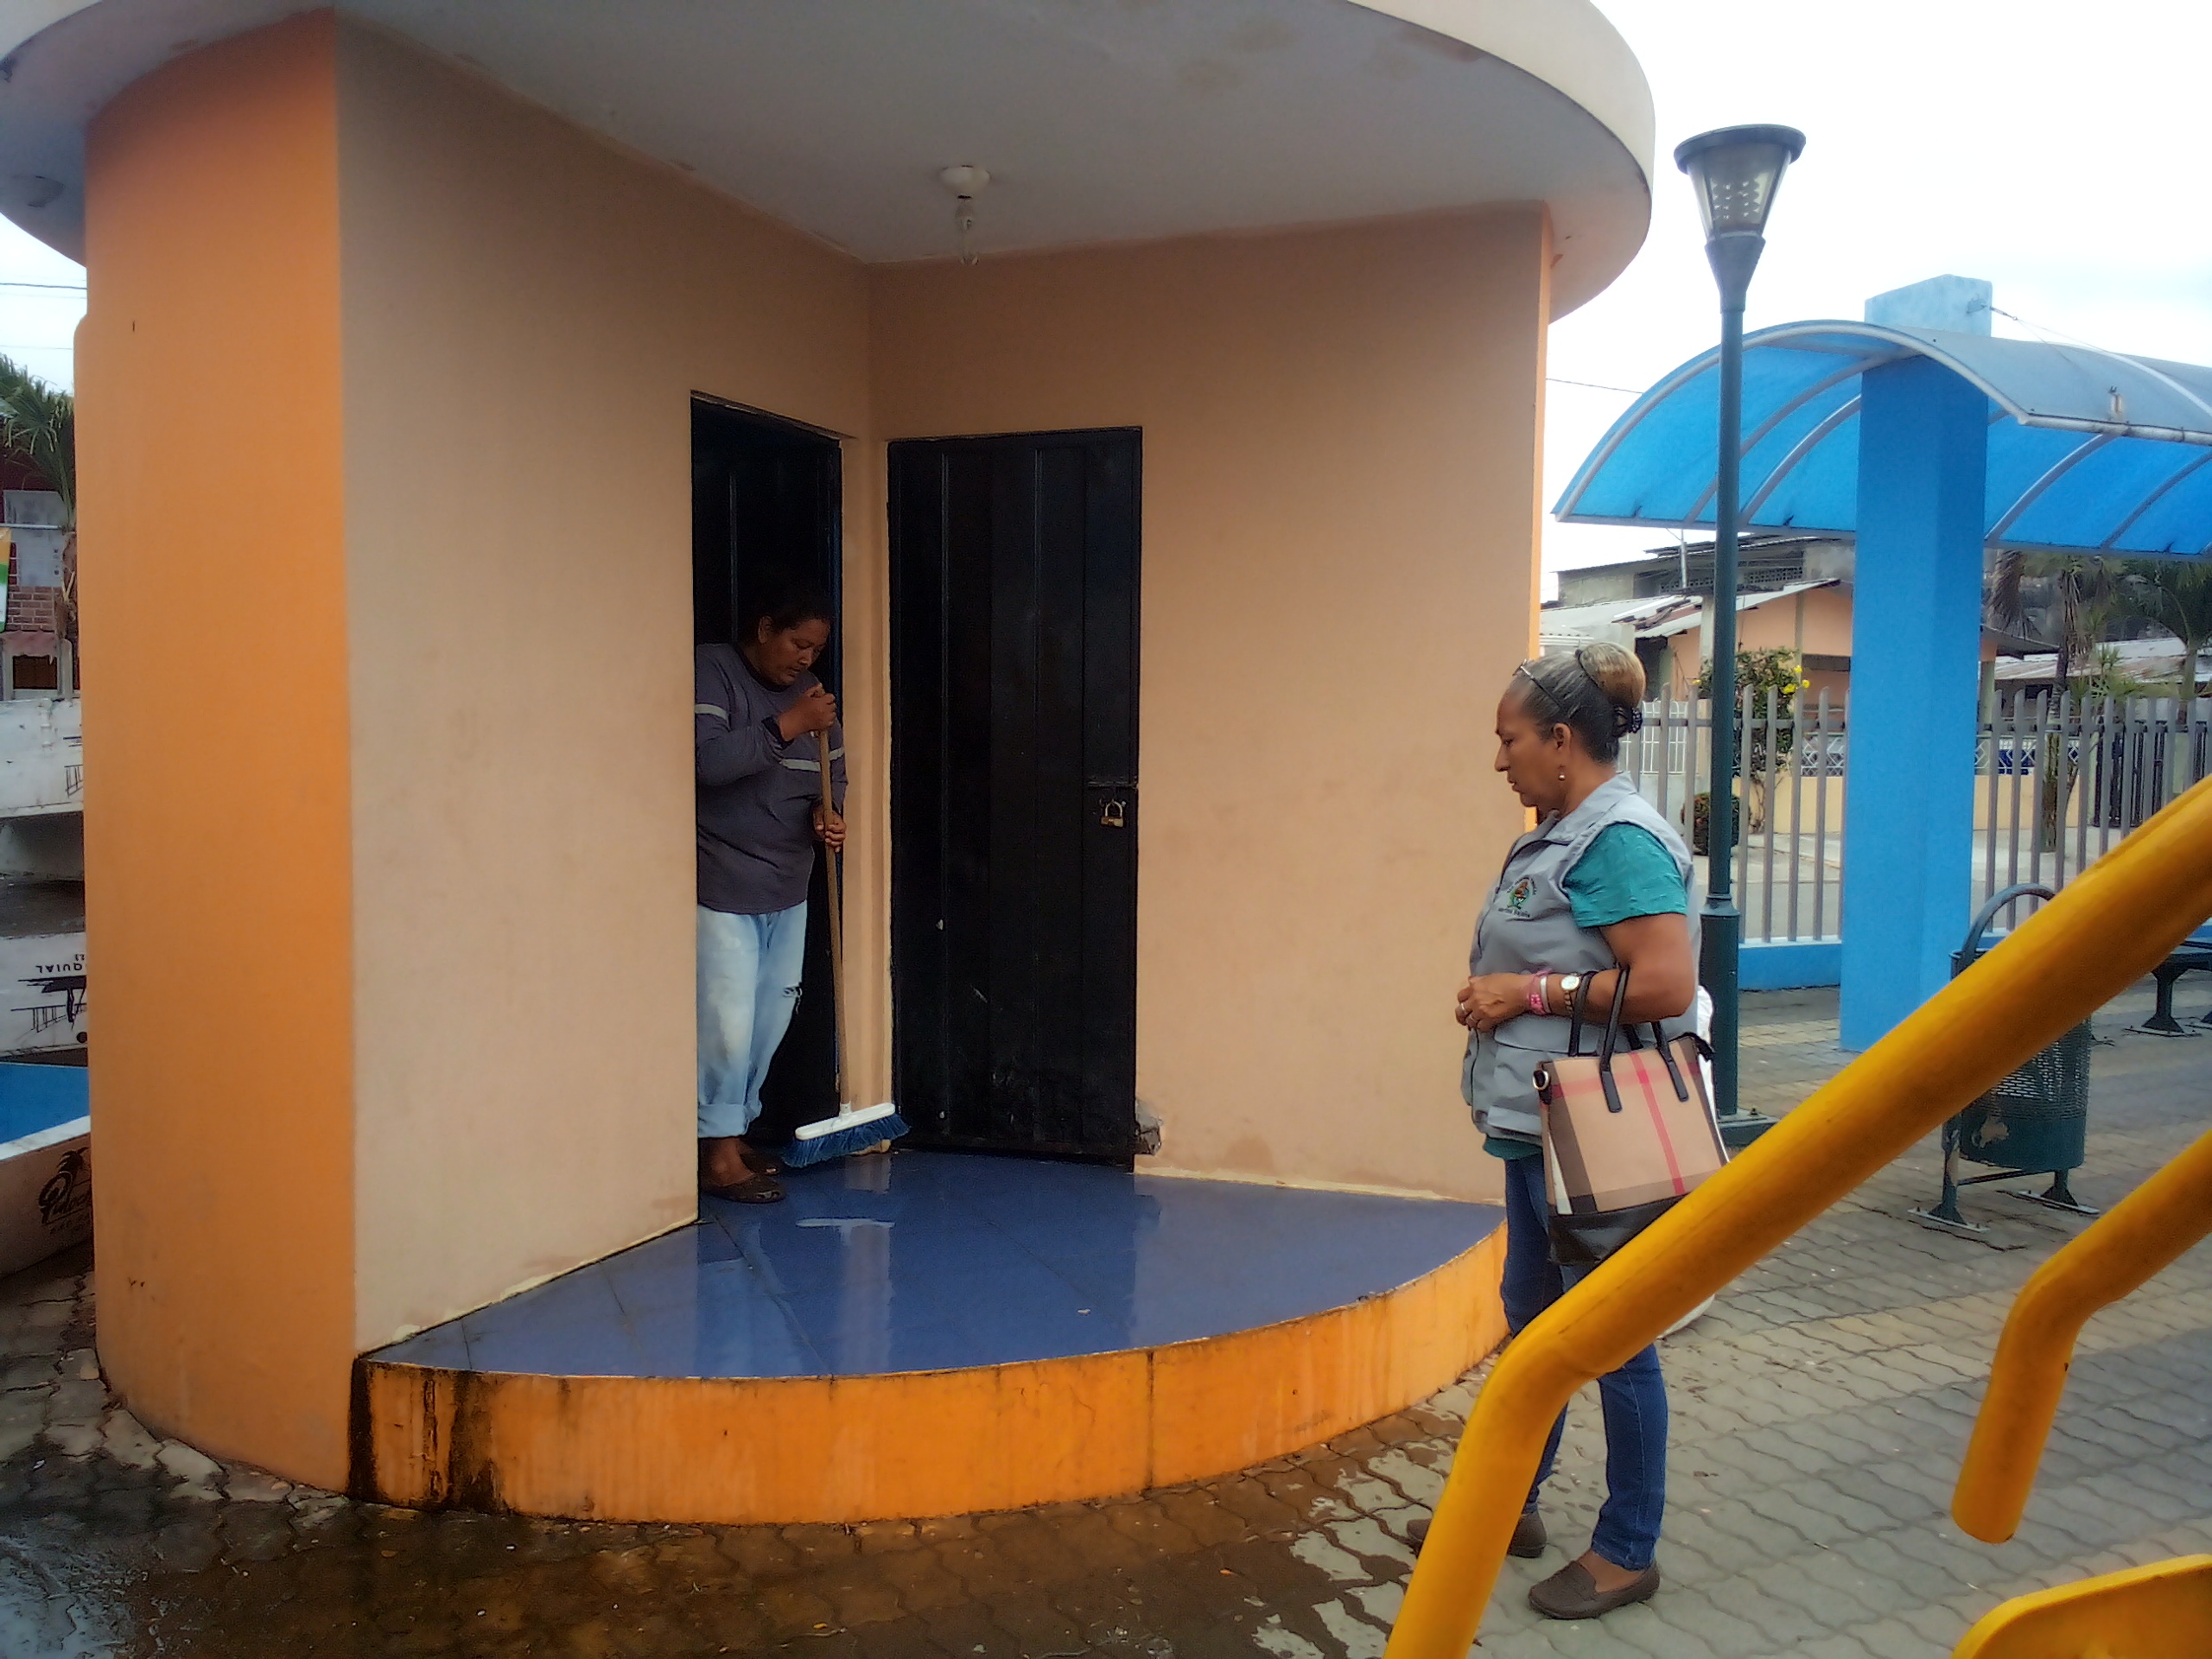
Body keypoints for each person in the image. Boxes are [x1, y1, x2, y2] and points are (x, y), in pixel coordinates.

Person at [1424, 641, 1699, 1620]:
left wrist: (1526, 992)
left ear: (1561, 738)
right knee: (1533, 1323)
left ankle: (1627, 1549)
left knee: (1613, 1338)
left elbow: (1665, 983)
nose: (1499, 760)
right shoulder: (1559, 833)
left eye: (1509, 740)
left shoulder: (1616, 840)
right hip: (1534, 1127)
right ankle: (1512, 1503)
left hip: (1591, 1136)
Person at [694, 589, 846, 1205]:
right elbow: (707, 763)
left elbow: (832, 776)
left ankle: (732, 1134)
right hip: (723, 878)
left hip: (789, 881)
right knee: (726, 1021)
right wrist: (788, 725)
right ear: (764, 628)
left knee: (769, 1017)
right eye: (797, 643)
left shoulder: (813, 698)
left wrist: (827, 815)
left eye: (816, 650)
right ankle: (718, 1157)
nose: (806, 659)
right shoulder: (713, 669)